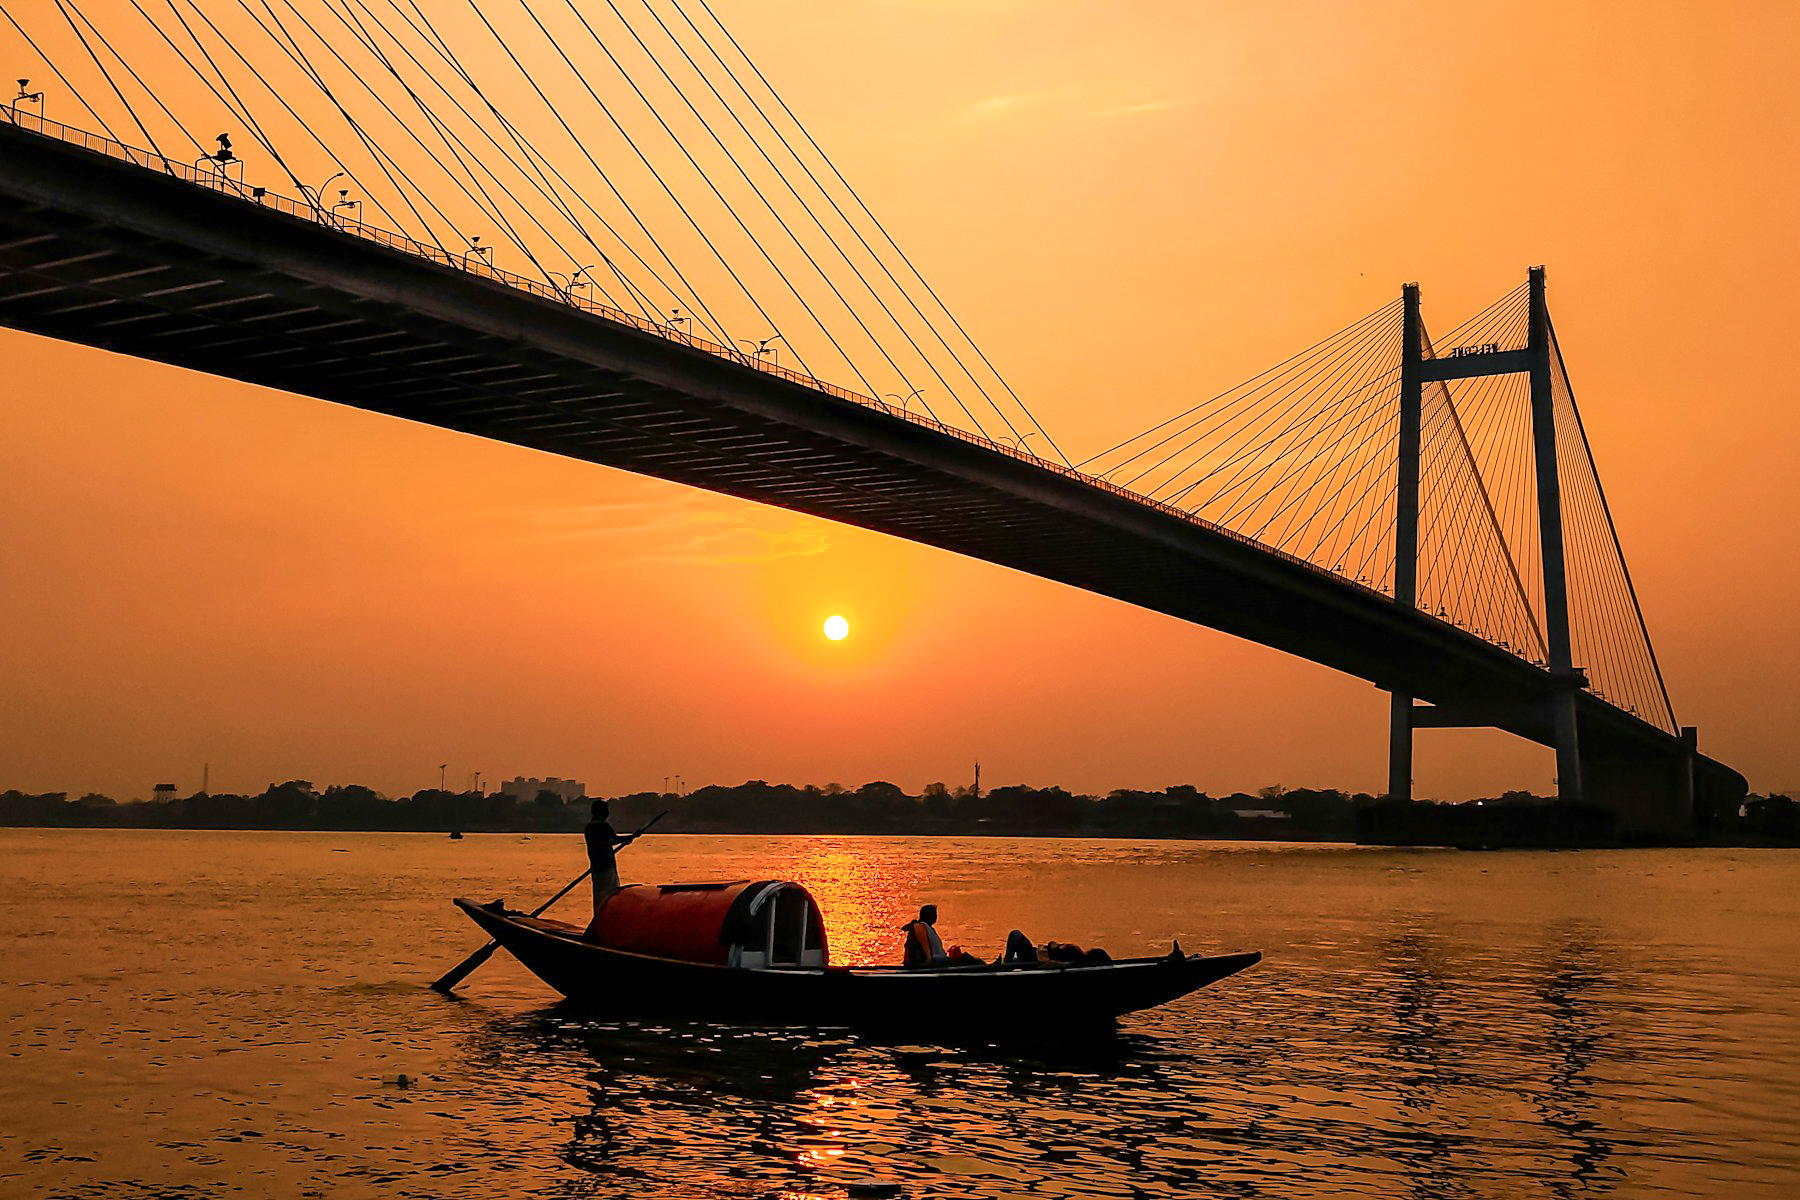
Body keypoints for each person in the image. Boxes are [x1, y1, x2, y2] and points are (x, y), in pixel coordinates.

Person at [584, 799, 640, 917]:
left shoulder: (589, 827)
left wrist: (628, 838)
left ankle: (599, 918)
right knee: (609, 895)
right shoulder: (603, 826)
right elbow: (615, 840)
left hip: (595, 866)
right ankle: (607, 919)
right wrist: (633, 836)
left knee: (599, 896)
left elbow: (609, 841)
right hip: (606, 866)